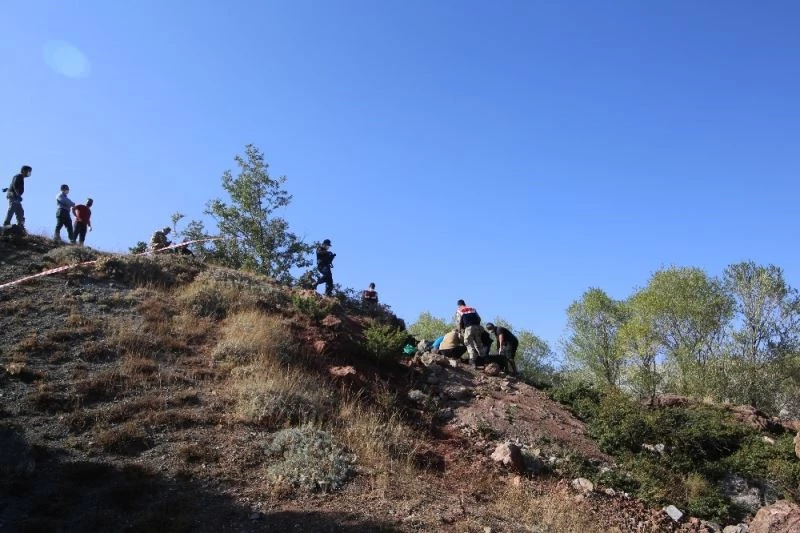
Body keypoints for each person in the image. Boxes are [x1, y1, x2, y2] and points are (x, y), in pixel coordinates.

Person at [3, 165, 32, 230]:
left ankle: (20, 224)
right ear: (24, 171)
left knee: (20, 210)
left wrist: (8, 189)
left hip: (15, 195)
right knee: (12, 207)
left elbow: (13, 185)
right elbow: (15, 185)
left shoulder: (21, 177)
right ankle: (6, 223)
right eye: (29, 171)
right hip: (13, 195)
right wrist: (18, 195)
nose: (29, 173)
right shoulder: (18, 176)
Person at [456, 299, 483, 368]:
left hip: (468, 328)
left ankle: (472, 363)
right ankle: (484, 361)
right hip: (478, 327)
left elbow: (458, 322)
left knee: (469, 344)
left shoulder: (459, 310)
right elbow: (479, 318)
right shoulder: (472, 308)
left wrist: (459, 331)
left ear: (459, 305)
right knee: (479, 345)